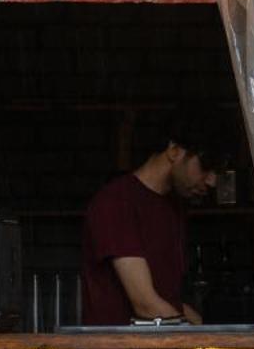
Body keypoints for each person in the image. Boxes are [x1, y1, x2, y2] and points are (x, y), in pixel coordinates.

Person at [80, 109, 232, 325]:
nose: (212, 182)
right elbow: (146, 304)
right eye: (205, 167)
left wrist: (208, 332)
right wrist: (200, 343)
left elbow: (169, 300)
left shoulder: (174, 206)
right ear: (174, 150)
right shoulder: (116, 202)